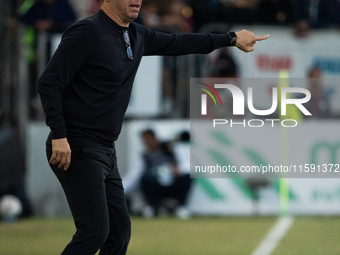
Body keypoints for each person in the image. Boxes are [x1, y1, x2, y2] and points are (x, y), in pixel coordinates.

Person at [37, 0, 269, 254]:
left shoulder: (136, 34)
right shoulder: (87, 31)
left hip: (105, 149)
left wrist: (230, 39)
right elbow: (49, 82)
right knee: (94, 231)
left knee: (119, 234)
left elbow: (180, 42)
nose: (137, 0)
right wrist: (59, 134)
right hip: (76, 144)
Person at [139, 129, 192, 219]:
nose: (147, 142)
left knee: (187, 176)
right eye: (145, 140)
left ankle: (182, 207)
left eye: (148, 139)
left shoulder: (166, 147)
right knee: (145, 178)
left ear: (154, 137)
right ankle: (151, 207)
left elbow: (178, 140)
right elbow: (136, 173)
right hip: (156, 183)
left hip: (172, 181)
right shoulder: (145, 155)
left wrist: (174, 168)